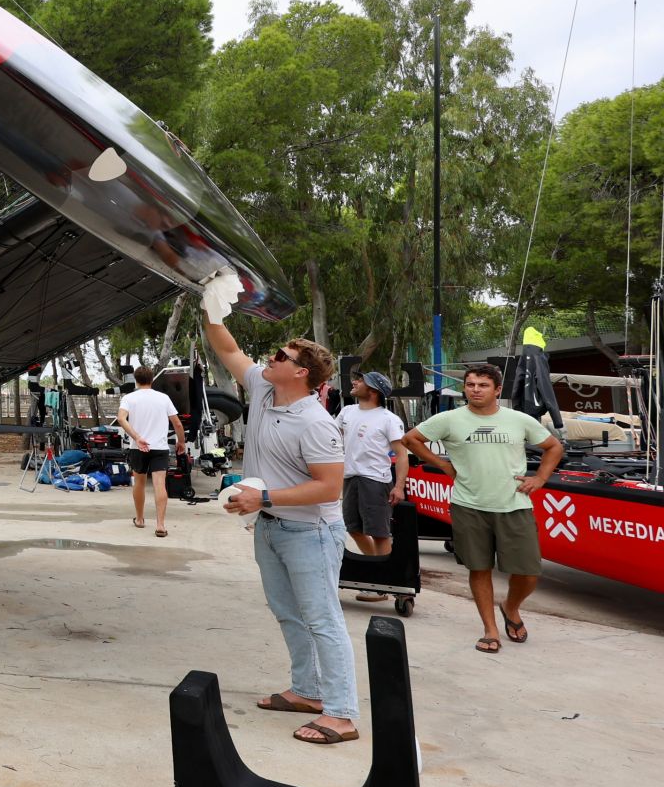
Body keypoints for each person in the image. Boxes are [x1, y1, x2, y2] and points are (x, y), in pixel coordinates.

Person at [201, 277, 355, 746]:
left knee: (323, 618)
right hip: (270, 529)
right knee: (287, 612)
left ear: (302, 373)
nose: (272, 358)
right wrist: (211, 309)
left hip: (311, 533)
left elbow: (329, 488)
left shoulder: (316, 422)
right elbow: (228, 351)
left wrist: (262, 498)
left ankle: (343, 713)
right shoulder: (265, 391)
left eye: (282, 357)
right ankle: (307, 692)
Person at [402, 364, 563, 654]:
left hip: (514, 505)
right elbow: (411, 439)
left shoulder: (518, 420)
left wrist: (540, 477)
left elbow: (553, 447)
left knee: (528, 572)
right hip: (469, 505)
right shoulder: (450, 419)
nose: (475, 389)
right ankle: (490, 630)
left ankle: (511, 607)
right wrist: (442, 465)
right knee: (479, 568)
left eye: (483, 385)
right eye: (471, 384)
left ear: (497, 390)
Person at [338, 370, 409, 601]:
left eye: (361, 381)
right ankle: (376, 572)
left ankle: (386, 584)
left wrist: (399, 486)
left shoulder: (388, 419)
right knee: (353, 528)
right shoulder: (347, 412)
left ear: (373, 390)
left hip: (376, 481)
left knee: (379, 533)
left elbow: (401, 454)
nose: (355, 382)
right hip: (350, 478)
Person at [115, 366, 186, 536]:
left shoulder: (129, 398)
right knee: (159, 485)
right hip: (159, 448)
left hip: (138, 448)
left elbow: (120, 419)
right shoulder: (163, 398)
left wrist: (137, 437)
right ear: (152, 379)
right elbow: (177, 423)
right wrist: (181, 442)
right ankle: (160, 525)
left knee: (139, 483)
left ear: (136, 380)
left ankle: (139, 519)